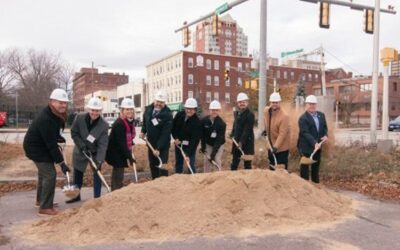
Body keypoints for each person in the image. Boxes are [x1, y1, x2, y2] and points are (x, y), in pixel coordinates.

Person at [23, 88, 70, 216]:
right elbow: (51, 145)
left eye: (65, 102)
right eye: (60, 102)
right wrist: (61, 163)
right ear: (52, 102)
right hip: (36, 149)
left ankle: (41, 200)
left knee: (43, 175)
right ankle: (45, 207)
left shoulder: (54, 114)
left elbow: (51, 135)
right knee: (50, 175)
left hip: (41, 146)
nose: (63, 105)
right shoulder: (46, 118)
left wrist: (57, 137)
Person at [67, 97, 109, 203]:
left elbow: (103, 144)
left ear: (100, 111)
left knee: (97, 174)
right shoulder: (79, 118)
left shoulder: (104, 125)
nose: (94, 113)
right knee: (77, 174)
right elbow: (74, 133)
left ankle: (97, 198)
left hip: (94, 152)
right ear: (88, 109)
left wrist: (99, 160)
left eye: (97, 111)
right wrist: (82, 146)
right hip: (80, 150)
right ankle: (75, 196)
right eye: (93, 110)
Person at [140, 91, 172, 179]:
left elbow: (165, 134)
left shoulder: (168, 115)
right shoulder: (148, 110)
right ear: (154, 100)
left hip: (163, 146)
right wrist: (143, 131)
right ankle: (154, 183)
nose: (158, 104)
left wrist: (158, 148)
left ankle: (163, 185)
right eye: (157, 101)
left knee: (162, 166)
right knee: (153, 165)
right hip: (151, 144)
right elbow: (145, 122)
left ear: (165, 103)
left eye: (161, 102)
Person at [105, 98, 136, 191]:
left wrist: (131, 142)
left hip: (119, 151)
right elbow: (122, 143)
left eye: (131, 109)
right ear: (122, 110)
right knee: (118, 173)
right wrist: (130, 157)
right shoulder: (120, 123)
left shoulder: (128, 121)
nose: (129, 111)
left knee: (118, 172)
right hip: (115, 152)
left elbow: (127, 136)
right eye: (127, 109)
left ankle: (115, 190)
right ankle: (116, 192)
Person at [297, 95, 328, 183]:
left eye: (313, 104)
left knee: (315, 169)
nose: (312, 106)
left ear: (316, 105)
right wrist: (314, 143)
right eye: (310, 104)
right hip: (305, 147)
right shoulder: (303, 119)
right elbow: (305, 133)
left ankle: (316, 187)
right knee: (304, 170)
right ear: (306, 105)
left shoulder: (321, 115)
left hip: (317, 147)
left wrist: (325, 135)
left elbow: (324, 128)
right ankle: (305, 187)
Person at [171, 98, 201, 174]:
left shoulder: (197, 122)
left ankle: (193, 179)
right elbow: (173, 128)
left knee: (190, 164)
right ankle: (178, 178)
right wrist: (176, 138)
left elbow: (195, 140)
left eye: (191, 109)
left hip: (190, 146)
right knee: (179, 163)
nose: (189, 111)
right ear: (185, 108)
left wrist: (188, 154)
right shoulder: (179, 115)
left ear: (195, 110)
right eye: (187, 108)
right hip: (179, 144)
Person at [263, 92, 290, 170]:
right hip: (270, 145)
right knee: (272, 167)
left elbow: (282, 134)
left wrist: (275, 147)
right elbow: (265, 120)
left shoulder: (284, 116)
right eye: (273, 102)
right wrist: (265, 130)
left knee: (281, 170)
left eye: (276, 102)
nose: (274, 104)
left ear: (279, 102)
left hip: (282, 148)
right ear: (270, 102)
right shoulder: (266, 111)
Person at [229, 92, 255, 170]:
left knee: (247, 164)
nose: (242, 104)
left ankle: (248, 180)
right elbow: (235, 125)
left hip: (247, 143)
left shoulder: (250, 115)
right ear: (238, 103)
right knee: (234, 164)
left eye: (243, 102)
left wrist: (241, 142)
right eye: (240, 102)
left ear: (247, 103)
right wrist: (232, 133)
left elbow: (247, 130)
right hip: (237, 142)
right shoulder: (237, 113)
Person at [200, 100, 226, 172]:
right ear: (209, 110)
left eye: (216, 110)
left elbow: (219, 140)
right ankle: (206, 175)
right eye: (212, 110)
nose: (214, 112)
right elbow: (202, 135)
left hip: (219, 144)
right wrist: (203, 147)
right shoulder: (204, 121)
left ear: (219, 111)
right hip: (208, 143)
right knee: (206, 160)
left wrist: (213, 154)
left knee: (216, 159)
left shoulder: (222, 124)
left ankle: (218, 176)